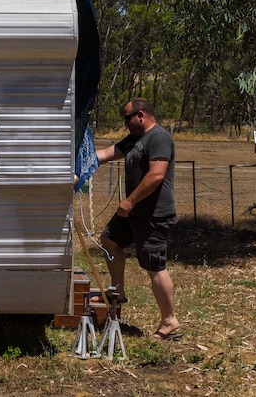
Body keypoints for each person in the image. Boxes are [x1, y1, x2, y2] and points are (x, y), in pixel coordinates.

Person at [93, 98, 180, 340]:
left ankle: (169, 320)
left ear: (140, 115)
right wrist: (80, 159)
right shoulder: (135, 140)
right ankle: (117, 291)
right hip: (132, 214)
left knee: (154, 267)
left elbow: (156, 175)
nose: (125, 123)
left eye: (127, 118)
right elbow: (106, 154)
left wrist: (130, 201)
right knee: (109, 240)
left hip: (153, 215)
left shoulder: (158, 138)